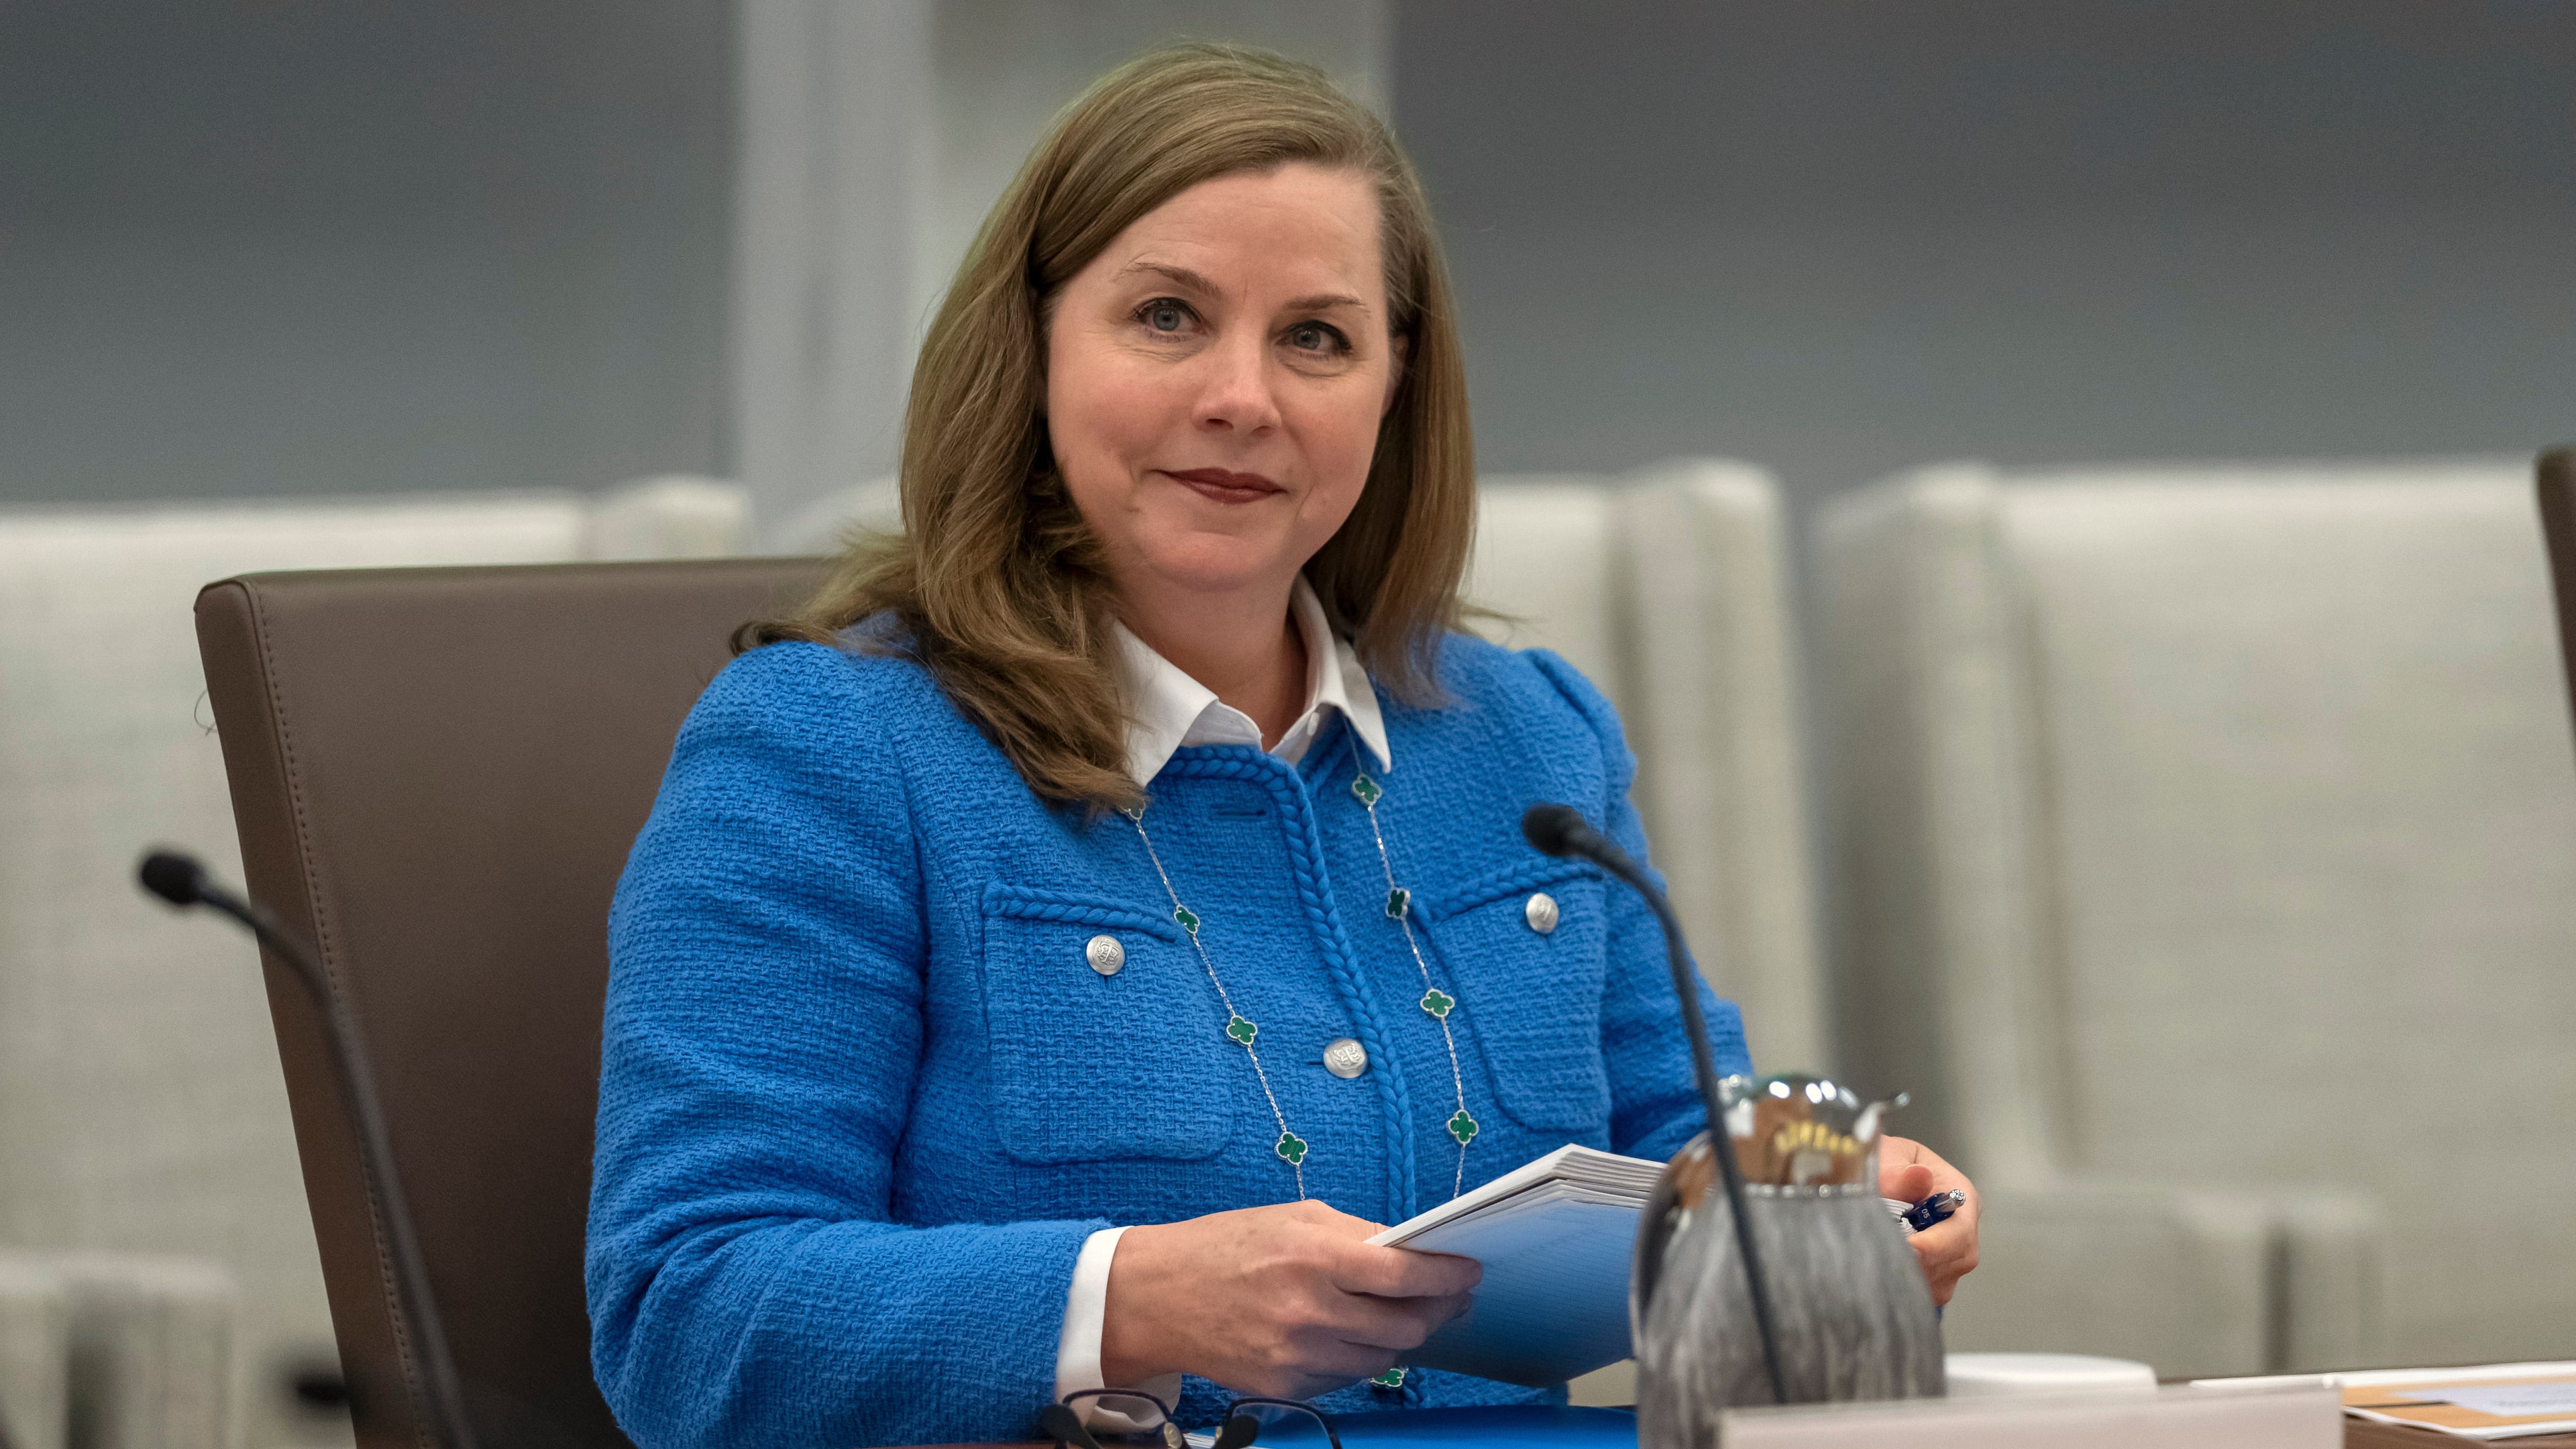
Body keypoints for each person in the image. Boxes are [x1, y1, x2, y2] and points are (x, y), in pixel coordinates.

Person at [586, 43, 1978, 1449]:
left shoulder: (1530, 735)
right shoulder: (829, 750)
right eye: (1168, 317)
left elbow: (1689, 1134)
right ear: (1036, 347)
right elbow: (686, 1313)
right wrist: (1126, 1299)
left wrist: (1817, 1197)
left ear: (1392, 387)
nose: (1243, 397)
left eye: (1316, 336)